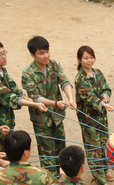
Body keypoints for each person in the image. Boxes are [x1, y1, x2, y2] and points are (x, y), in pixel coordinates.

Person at [22, 36, 76, 174]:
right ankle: (51, 183)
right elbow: (35, 98)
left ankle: (62, 181)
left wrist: (70, 98)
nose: (46, 55)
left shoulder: (54, 64)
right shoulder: (28, 73)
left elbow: (64, 82)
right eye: (41, 53)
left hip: (57, 117)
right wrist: (55, 103)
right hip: (42, 120)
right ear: (32, 55)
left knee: (61, 150)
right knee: (47, 156)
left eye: (47, 51)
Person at [0, 39, 48, 151]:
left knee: (5, 147)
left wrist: (24, 97)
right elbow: (8, 97)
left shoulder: (2, 70)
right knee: (7, 148)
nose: (4, 56)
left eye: (4, 52)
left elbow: (14, 89)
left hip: (6, 116)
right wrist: (35, 105)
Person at [74, 45, 114, 185]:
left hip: (102, 117)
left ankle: (104, 170)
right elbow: (89, 97)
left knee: (104, 143)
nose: (89, 60)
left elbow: (106, 88)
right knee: (93, 148)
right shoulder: (80, 78)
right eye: (86, 58)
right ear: (80, 60)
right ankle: (99, 178)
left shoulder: (97, 72)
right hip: (89, 119)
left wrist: (105, 96)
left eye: (91, 57)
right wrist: (103, 104)